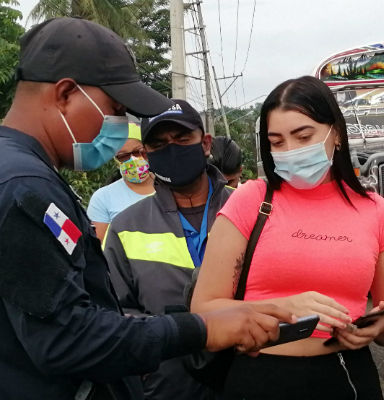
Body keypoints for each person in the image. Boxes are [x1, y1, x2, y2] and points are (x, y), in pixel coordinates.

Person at [0, 17, 294, 400]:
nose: (121, 127)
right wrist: (201, 328)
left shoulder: (22, 171)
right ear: (66, 94)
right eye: (116, 108)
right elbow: (65, 339)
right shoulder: (25, 186)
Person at [191, 76, 384, 399]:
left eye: (303, 136)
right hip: (259, 378)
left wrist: (378, 326)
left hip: (346, 375)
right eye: (277, 142)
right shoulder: (250, 200)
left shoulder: (376, 211)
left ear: (336, 132)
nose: (290, 151)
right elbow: (204, 308)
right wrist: (282, 307)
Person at [103, 99, 233, 400]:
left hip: (249, 376)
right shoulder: (125, 226)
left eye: (182, 138)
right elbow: (113, 311)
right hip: (167, 385)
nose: (172, 149)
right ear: (147, 154)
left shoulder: (250, 210)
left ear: (205, 143)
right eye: (159, 144)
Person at [87, 122, 155, 241]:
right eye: (124, 156)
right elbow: (98, 247)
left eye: (138, 152)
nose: (133, 160)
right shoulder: (103, 198)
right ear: (116, 160)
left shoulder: (171, 187)